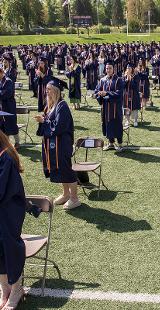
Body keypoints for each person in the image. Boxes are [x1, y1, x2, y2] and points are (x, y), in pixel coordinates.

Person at [35, 77, 80, 210]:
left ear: (56, 91)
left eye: (49, 89)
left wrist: (44, 122)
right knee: (59, 169)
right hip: (54, 145)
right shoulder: (51, 106)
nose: (46, 92)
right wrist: (43, 119)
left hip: (62, 144)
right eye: (46, 89)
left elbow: (59, 127)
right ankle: (66, 194)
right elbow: (50, 124)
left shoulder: (62, 105)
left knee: (66, 169)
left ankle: (75, 198)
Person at [0, 122, 26, 310]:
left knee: (9, 248)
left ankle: (16, 289)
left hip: (8, 213)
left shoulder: (5, 158)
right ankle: (5, 289)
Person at [95, 61, 124, 151]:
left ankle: (120, 144)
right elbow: (96, 90)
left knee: (117, 124)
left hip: (115, 108)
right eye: (107, 68)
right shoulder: (102, 80)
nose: (108, 70)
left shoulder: (118, 80)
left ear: (113, 69)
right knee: (107, 124)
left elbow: (119, 93)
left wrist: (106, 93)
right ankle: (111, 143)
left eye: (110, 68)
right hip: (105, 108)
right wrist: (99, 94)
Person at [0, 65, 20, 150]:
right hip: (1, 108)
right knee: (3, 126)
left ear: (1, 73)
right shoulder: (1, 81)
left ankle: (17, 142)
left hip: (9, 107)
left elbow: (6, 94)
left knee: (12, 126)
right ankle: (6, 143)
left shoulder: (8, 81)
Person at [123, 63, 141, 127]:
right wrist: (126, 79)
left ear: (132, 69)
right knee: (126, 108)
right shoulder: (124, 76)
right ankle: (127, 120)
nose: (128, 69)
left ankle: (135, 121)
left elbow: (135, 86)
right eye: (127, 68)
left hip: (134, 95)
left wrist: (130, 78)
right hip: (126, 95)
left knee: (134, 108)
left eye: (129, 68)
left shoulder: (136, 76)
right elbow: (122, 85)